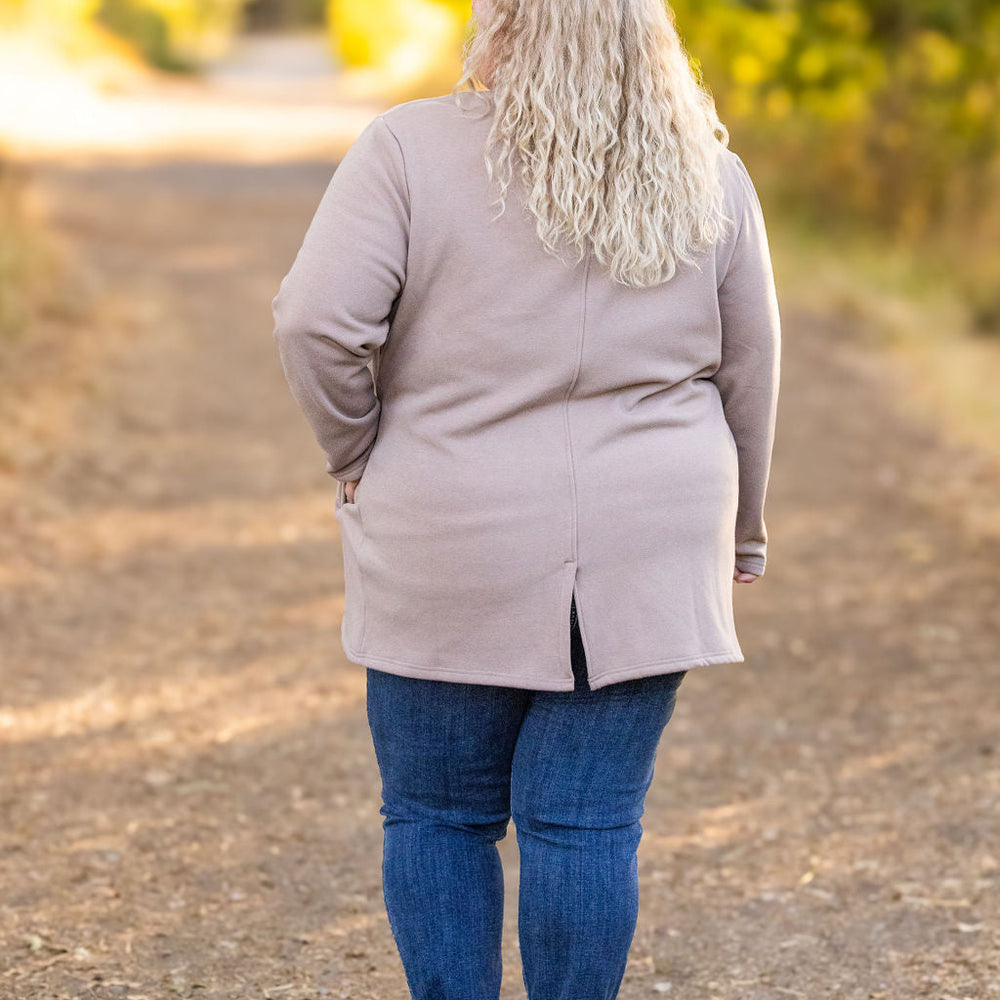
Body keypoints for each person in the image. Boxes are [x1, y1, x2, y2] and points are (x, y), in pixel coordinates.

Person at [270, 0, 781, 997]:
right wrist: (743, 529)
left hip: (447, 527)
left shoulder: (407, 150)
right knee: (586, 822)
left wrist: (356, 445)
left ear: (497, 21)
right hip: (650, 534)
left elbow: (316, 323)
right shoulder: (708, 173)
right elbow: (748, 372)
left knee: (437, 813)